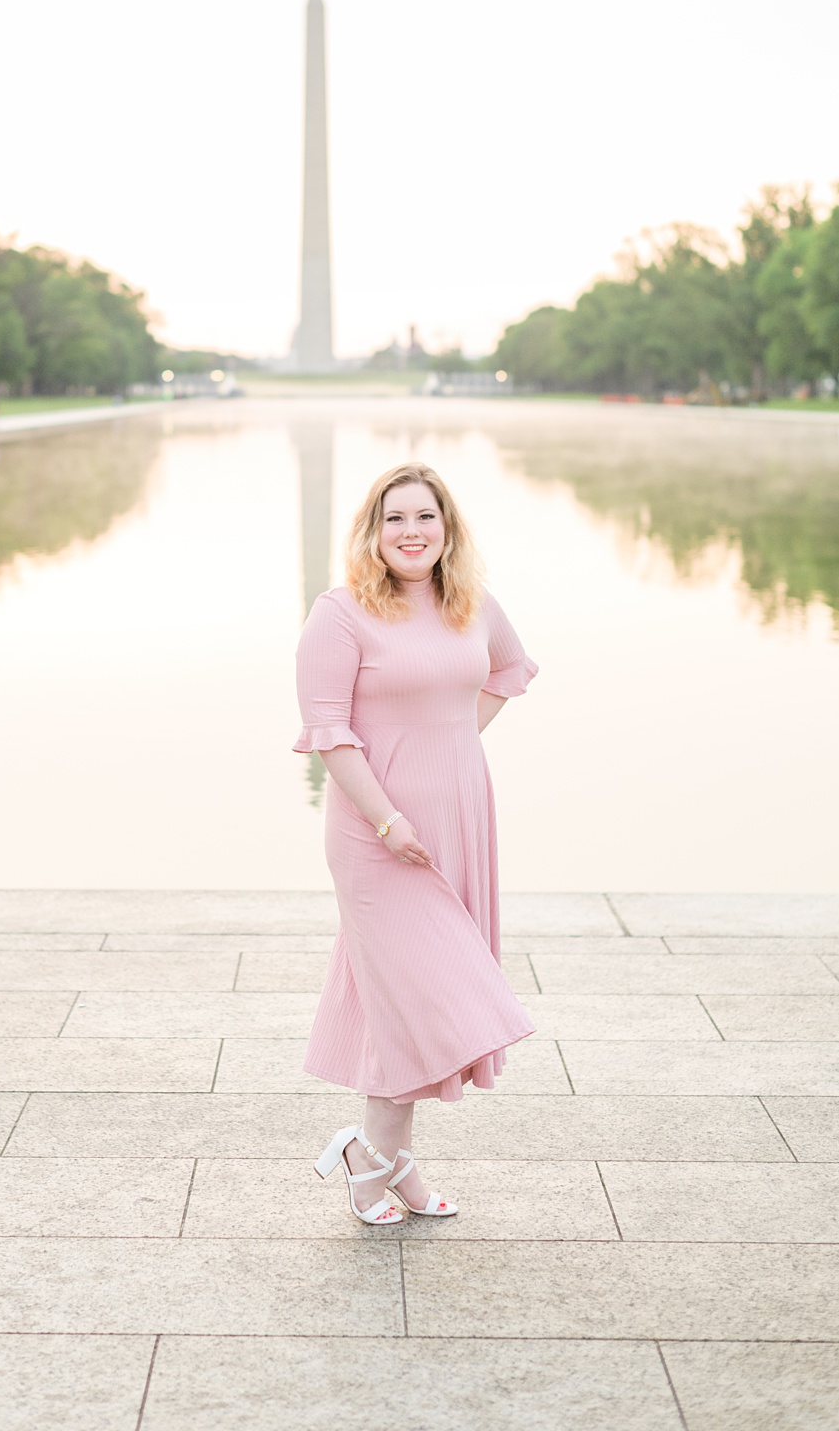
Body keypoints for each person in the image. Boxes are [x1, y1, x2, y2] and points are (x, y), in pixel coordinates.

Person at [293, 460, 539, 1224]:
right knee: (427, 997)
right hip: (378, 836)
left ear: (447, 530)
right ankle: (374, 1156)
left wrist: (457, 741)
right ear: (373, 532)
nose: (411, 532)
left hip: (460, 819)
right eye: (394, 518)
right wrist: (390, 822)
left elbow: (512, 669)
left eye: (424, 518)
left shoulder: (472, 606)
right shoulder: (340, 614)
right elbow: (330, 735)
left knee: (397, 1003)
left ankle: (383, 1160)